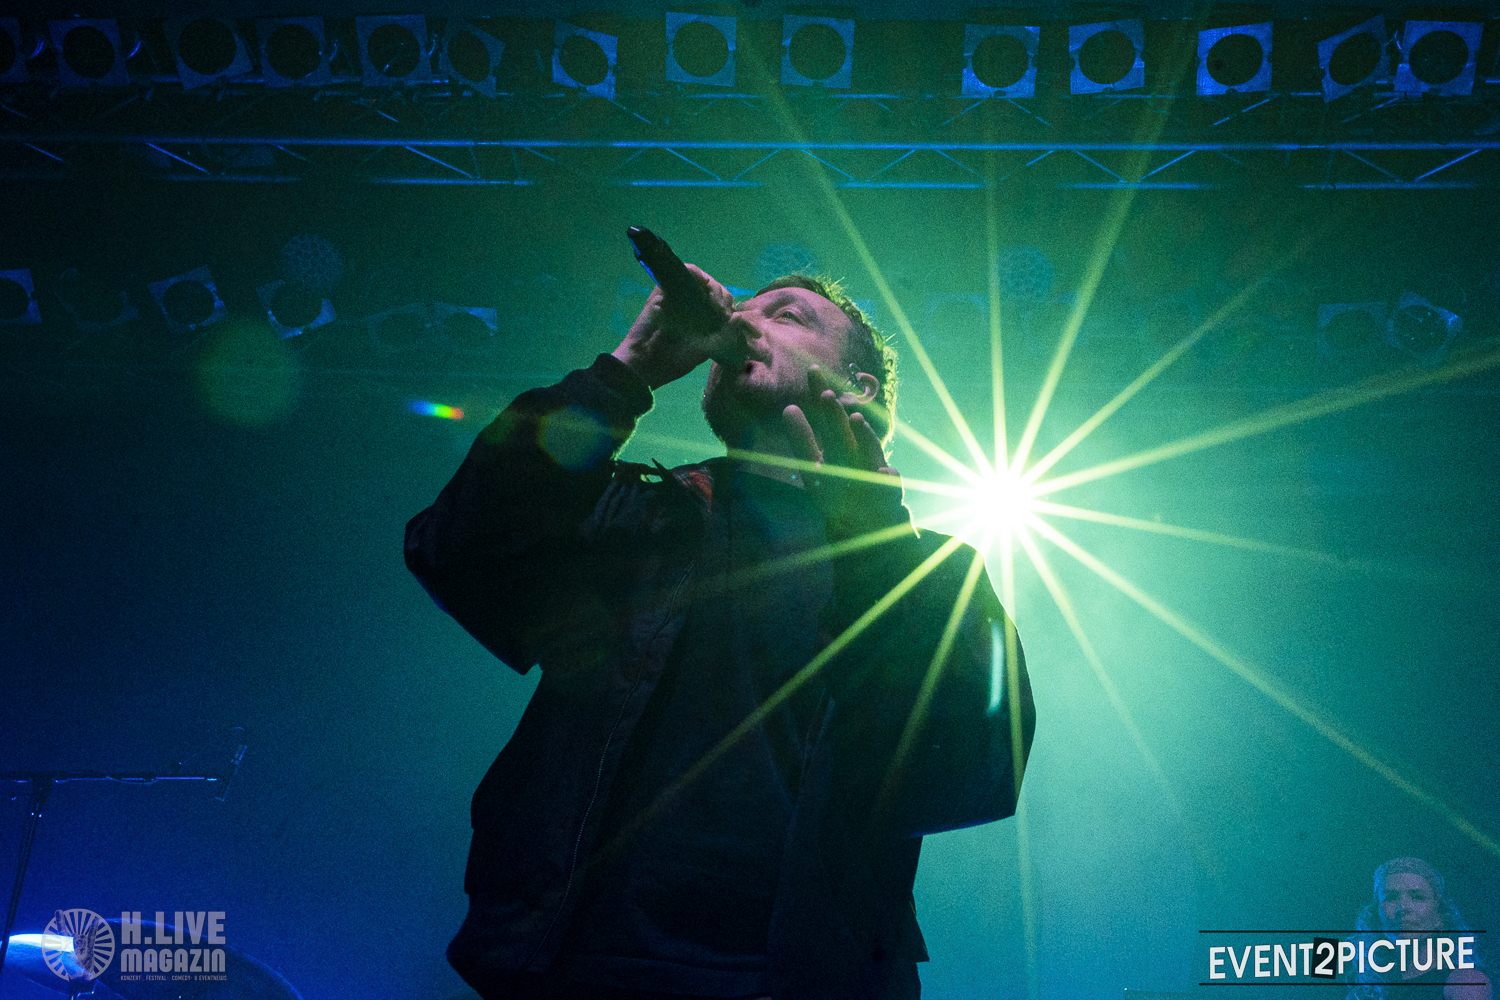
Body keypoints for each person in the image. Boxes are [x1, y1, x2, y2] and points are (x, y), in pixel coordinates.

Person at [405, 259, 1035, 1000]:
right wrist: (624, 374)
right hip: (573, 967)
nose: (741, 321)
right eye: (744, 308)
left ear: (860, 390)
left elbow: (972, 775)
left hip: (795, 982)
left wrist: (874, 537)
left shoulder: (930, 575)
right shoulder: (638, 514)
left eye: (786, 315)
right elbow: (457, 552)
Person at [1348, 857, 1490, 1000]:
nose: (1403, 907)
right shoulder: (1365, 992)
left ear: (1440, 917)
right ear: (1377, 915)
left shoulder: (1465, 982)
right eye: (1391, 897)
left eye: (1417, 897)